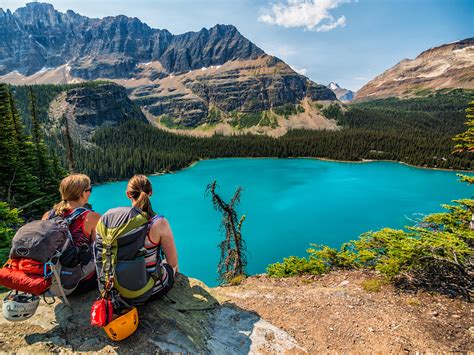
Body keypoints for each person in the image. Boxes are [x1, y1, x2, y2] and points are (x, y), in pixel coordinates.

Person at [42, 173, 101, 293]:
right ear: (84, 193)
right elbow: (100, 251)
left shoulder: (48, 215)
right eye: (90, 189)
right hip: (81, 283)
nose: (90, 193)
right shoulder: (91, 217)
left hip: (53, 280)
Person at [126, 174, 178, 300]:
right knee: (173, 266)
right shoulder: (159, 222)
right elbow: (172, 262)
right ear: (151, 193)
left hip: (122, 288)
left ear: (128, 194)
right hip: (150, 289)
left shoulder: (117, 220)